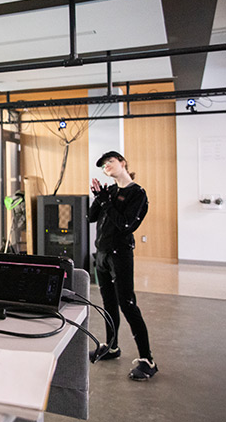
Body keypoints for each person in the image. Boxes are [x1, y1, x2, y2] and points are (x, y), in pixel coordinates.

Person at [88, 150, 157, 381]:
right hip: (102, 255)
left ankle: (147, 359)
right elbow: (91, 217)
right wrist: (99, 197)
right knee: (108, 303)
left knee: (127, 304)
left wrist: (107, 202)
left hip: (120, 255)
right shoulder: (110, 192)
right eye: (104, 164)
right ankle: (112, 346)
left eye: (111, 161)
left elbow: (126, 225)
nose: (107, 165)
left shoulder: (137, 194)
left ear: (123, 163)